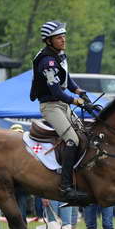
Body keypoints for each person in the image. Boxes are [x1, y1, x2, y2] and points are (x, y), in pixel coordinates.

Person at [30, 20, 89, 203]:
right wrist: (77, 101)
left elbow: (67, 80)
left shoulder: (60, 55)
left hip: (63, 105)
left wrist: (80, 92)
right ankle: (65, 187)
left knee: (85, 135)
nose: (63, 40)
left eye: (64, 36)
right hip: (51, 106)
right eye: (59, 37)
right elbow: (56, 91)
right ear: (49, 41)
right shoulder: (47, 61)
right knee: (72, 140)